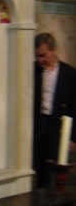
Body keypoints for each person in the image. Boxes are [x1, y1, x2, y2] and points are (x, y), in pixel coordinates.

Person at [33, 32, 76, 188]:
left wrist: (73, 137)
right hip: (38, 123)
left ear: (54, 50)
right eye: (37, 56)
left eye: (43, 55)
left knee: (55, 170)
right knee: (38, 168)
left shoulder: (69, 74)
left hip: (58, 126)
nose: (40, 60)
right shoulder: (33, 71)